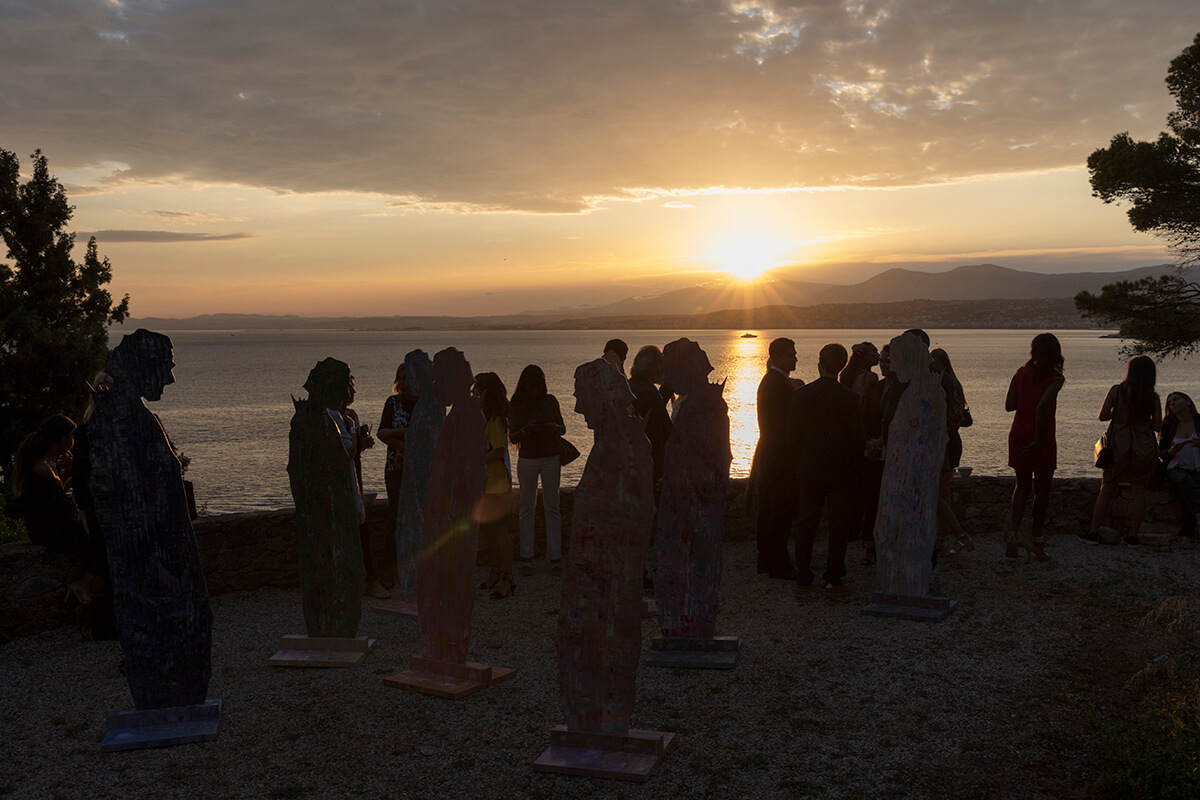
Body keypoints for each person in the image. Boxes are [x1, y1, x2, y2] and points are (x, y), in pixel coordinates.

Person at [789, 344, 863, 593]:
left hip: (809, 468)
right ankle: (833, 576)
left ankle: (803, 575)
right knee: (838, 524)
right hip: (840, 471)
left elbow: (794, 435)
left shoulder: (802, 394)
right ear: (841, 365)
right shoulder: (852, 399)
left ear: (820, 362)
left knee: (806, 522)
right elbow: (856, 439)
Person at [1084, 355, 1162, 546]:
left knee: (1108, 486)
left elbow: (1103, 416)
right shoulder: (1152, 398)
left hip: (1119, 442)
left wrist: (1118, 414)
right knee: (1138, 490)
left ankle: (1093, 532)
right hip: (1143, 445)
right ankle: (1132, 536)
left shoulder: (1117, 391)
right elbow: (1158, 425)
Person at [1005, 333, 1065, 561]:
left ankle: (1012, 540)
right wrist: (1039, 440)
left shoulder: (1020, 373)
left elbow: (1009, 405)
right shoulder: (1055, 379)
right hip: (1041, 437)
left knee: (1021, 487)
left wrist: (1024, 399)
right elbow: (1042, 407)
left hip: (1018, 433)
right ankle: (1036, 542)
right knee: (1042, 492)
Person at [508, 364, 565, 576]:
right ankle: (526, 556)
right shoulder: (516, 404)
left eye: (537, 386)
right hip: (528, 459)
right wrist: (526, 430)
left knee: (552, 507)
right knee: (526, 508)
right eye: (531, 386)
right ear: (525, 386)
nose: (534, 390)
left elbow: (563, 428)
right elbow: (513, 437)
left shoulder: (550, 401)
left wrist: (552, 428)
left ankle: (555, 556)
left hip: (551, 457)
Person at [751, 337, 801, 579]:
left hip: (770, 453)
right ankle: (778, 562)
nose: (795, 358)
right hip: (780, 456)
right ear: (778, 356)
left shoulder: (771, 381)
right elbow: (785, 425)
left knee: (769, 508)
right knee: (780, 509)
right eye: (791, 355)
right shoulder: (779, 384)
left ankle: (767, 558)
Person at [339, 374, 384, 597]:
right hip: (342, 484)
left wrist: (363, 442)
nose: (354, 392)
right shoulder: (333, 417)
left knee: (362, 531)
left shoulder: (351, 415)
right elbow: (349, 449)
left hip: (355, 478)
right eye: (351, 387)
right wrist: (357, 440)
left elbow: (354, 450)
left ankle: (368, 580)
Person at [474, 372, 515, 599]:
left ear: (485, 392)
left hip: (497, 483)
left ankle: (508, 577)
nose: (472, 394)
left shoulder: (494, 419)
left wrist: (475, 460)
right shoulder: (484, 416)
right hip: (486, 483)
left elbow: (498, 451)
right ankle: (497, 571)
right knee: (490, 531)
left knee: (499, 531)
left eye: (476, 390)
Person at [930, 348, 974, 555]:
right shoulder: (956, 384)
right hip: (954, 439)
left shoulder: (941, 385)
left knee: (939, 491)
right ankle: (945, 536)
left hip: (944, 440)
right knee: (943, 490)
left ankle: (945, 536)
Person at [377, 362, 416, 586]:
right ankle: (389, 573)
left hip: (422, 471)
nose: (402, 382)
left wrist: (397, 432)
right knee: (396, 519)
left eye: (406, 378)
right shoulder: (392, 403)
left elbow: (428, 435)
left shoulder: (425, 405)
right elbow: (382, 433)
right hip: (396, 470)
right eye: (399, 378)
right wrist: (409, 444)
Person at [629, 345, 673, 490]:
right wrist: (661, 472)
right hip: (649, 467)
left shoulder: (632, 386)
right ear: (654, 368)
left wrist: (663, 395)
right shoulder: (647, 393)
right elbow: (653, 433)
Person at [1160, 391, 1200, 547]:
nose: (1172, 404)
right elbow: (1160, 452)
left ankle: (1187, 532)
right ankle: (1198, 519)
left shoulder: (1198, 421)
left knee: (1192, 487)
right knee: (1185, 480)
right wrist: (1170, 452)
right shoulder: (1169, 426)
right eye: (1170, 403)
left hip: (1197, 468)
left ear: (1188, 402)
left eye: (1176, 400)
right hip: (1175, 468)